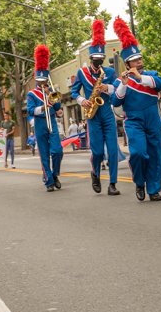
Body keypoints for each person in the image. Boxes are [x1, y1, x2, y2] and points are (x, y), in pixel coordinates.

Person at [112, 17, 161, 202]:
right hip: (134, 120)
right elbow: (116, 102)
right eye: (135, 62)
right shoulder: (121, 81)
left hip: (152, 117)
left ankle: (154, 189)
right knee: (138, 153)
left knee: (155, 154)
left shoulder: (150, 75)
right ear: (127, 65)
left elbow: (160, 84)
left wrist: (140, 77)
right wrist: (124, 85)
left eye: (140, 59)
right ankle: (139, 181)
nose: (139, 63)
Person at [70, 19, 120, 195]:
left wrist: (108, 88)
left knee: (113, 150)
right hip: (93, 115)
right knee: (97, 151)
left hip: (107, 112)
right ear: (91, 58)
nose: (99, 63)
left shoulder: (110, 72)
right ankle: (95, 173)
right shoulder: (82, 73)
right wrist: (82, 100)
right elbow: (74, 92)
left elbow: (118, 88)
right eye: (96, 60)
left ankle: (113, 184)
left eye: (101, 60)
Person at [26, 44, 64, 192]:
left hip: (52, 122)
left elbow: (57, 109)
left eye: (45, 81)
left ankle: (55, 175)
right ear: (37, 80)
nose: (43, 84)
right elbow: (30, 111)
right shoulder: (31, 94)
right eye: (41, 81)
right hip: (40, 123)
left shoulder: (51, 92)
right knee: (44, 153)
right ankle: (49, 181)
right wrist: (43, 107)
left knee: (57, 151)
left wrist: (54, 101)